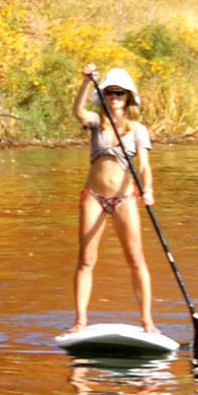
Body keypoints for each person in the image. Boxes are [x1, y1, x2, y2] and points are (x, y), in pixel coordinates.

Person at [71, 64, 157, 333]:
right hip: (94, 197)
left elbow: (143, 165)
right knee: (86, 259)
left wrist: (148, 189)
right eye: (109, 92)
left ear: (128, 97)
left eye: (120, 93)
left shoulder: (138, 129)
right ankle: (80, 321)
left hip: (124, 199)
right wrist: (87, 82)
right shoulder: (96, 122)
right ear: (104, 96)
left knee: (136, 260)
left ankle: (148, 322)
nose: (114, 97)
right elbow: (78, 111)